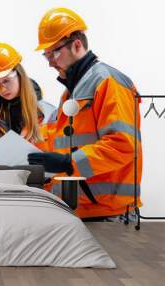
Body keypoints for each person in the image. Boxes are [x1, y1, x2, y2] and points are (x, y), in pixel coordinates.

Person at [28, 8, 142, 219]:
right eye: (47, 56)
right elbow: (67, 145)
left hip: (110, 215)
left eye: (54, 53)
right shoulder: (70, 94)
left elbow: (122, 146)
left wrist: (67, 163)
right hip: (79, 209)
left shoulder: (109, 82)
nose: (51, 62)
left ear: (77, 45)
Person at [0, 42, 54, 161]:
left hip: (39, 180)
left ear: (19, 75)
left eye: (6, 81)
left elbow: (60, 159)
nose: (1, 89)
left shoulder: (49, 114)